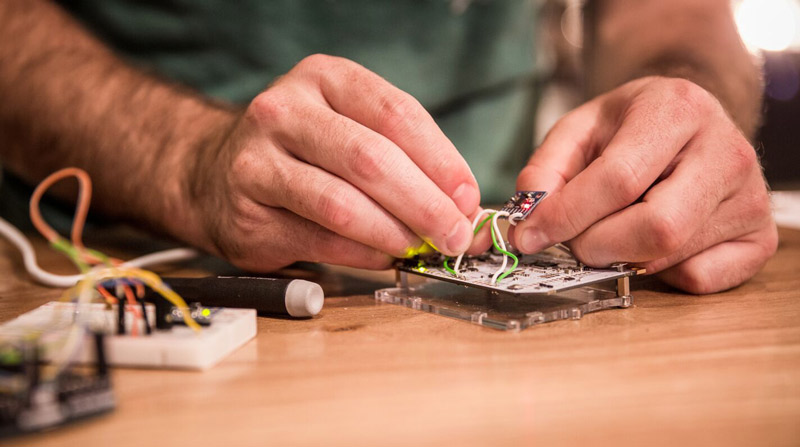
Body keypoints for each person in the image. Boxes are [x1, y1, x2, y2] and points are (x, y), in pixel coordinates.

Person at [0, 0, 777, 294]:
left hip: (523, 286)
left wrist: (680, 98)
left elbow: (666, 12)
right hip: (99, 257)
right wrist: (188, 162)